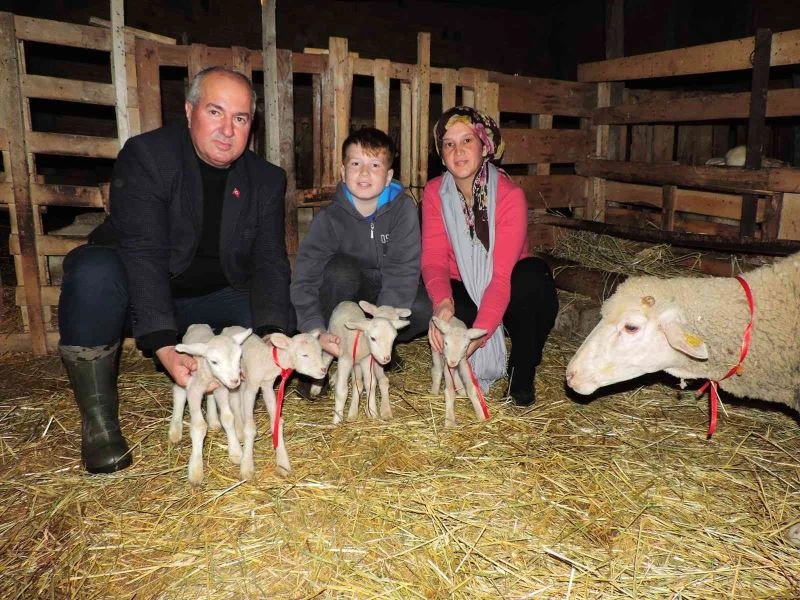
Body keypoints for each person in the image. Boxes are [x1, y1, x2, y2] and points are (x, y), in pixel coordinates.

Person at [58, 66, 293, 474]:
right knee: (92, 273)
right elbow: (144, 251)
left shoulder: (266, 179)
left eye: (239, 118)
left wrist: (275, 335)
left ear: (250, 125)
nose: (226, 130)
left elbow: (270, 258)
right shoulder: (149, 157)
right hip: (147, 288)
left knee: (284, 316)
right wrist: (163, 342)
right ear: (189, 111)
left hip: (221, 294)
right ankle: (99, 423)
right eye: (215, 112)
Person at [422, 106, 558, 407]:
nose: (458, 151)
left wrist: (478, 338)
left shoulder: (509, 196)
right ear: (441, 153)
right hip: (466, 289)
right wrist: (442, 302)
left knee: (534, 276)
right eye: (449, 143)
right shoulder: (434, 193)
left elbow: (499, 277)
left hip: (507, 290)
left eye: (467, 141)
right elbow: (433, 259)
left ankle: (521, 371)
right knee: (445, 297)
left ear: (485, 146)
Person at [290, 127, 431, 394]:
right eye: (356, 163)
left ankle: (382, 346)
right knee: (340, 271)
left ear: (389, 176)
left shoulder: (403, 210)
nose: (364, 173)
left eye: (374, 164)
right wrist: (313, 330)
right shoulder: (329, 218)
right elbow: (305, 276)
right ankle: (322, 355)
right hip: (347, 295)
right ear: (343, 172)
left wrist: (382, 325)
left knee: (421, 308)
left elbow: (403, 269)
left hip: (385, 293)